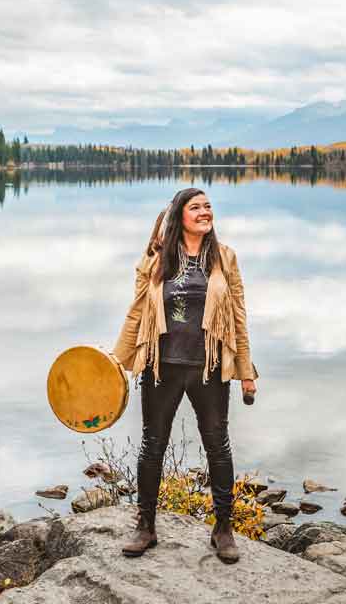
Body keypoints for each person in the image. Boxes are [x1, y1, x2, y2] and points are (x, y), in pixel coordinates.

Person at [109, 187, 259, 564]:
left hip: (208, 368)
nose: (206, 212)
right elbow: (136, 313)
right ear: (180, 216)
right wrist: (115, 361)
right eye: (196, 207)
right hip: (162, 367)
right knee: (152, 445)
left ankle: (223, 529)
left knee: (217, 446)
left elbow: (238, 316)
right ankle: (146, 526)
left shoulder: (224, 258)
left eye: (208, 206)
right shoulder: (156, 261)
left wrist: (245, 372)